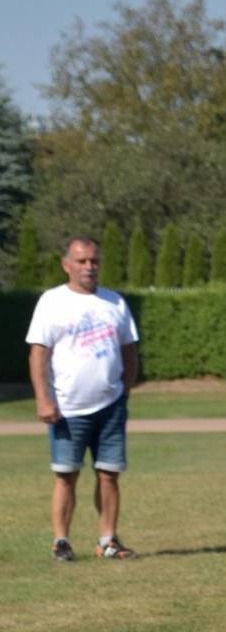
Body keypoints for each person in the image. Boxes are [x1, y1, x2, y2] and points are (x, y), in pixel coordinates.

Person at [27, 236, 140, 561]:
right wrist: (43, 399)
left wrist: (124, 391)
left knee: (109, 474)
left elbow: (129, 351)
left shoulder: (115, 302)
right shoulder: (52, 302)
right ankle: (61, 541)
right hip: (67, 408)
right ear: (66, 265)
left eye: (94, 261)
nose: (89, 267)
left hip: (111, 406)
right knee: (66, 475)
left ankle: (108, 540)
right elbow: (38, 354)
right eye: (81, 261)